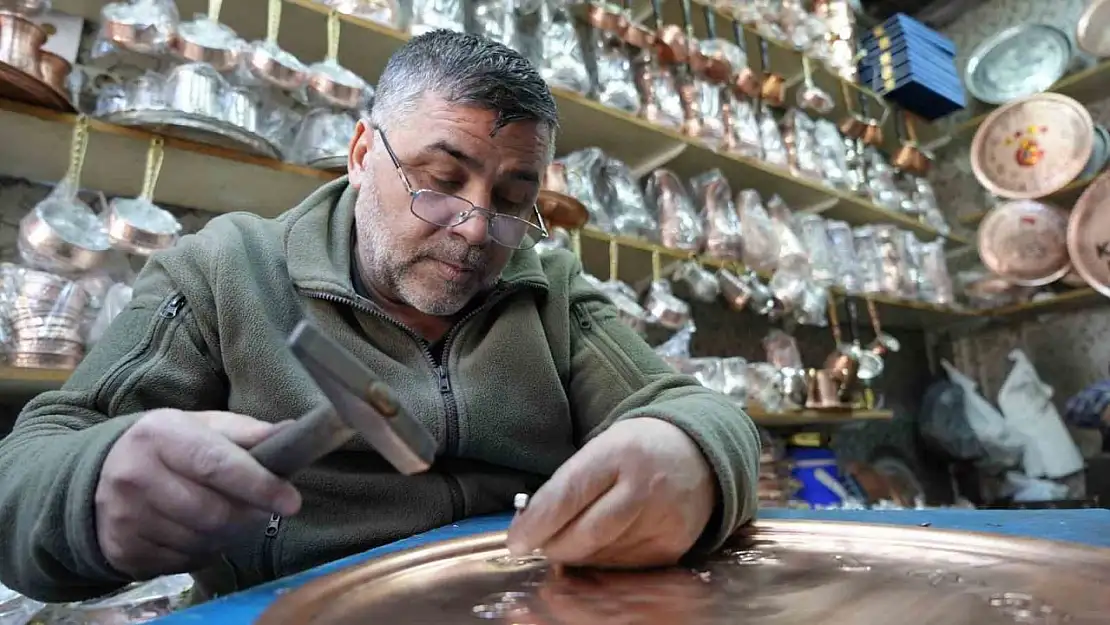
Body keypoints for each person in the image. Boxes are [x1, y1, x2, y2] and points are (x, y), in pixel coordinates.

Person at [0, 30, 760, 603]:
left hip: (529, 601)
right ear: (361, 152)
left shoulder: (550, 286)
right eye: (438, 179)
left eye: (511, 200)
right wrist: (88, 489)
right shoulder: (222, 270)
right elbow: (29, 463)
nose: (473, 228)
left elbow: (689, 407)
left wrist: (689, 453)